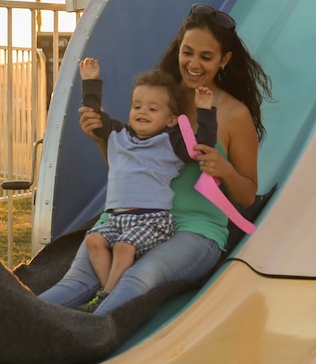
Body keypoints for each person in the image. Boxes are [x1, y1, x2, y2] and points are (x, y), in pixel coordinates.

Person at [38, 2, 272, 315]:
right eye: (187, 52)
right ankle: (12, 324)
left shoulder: (233, 114)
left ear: (224, 60)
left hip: (195, 229)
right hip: (131, 216)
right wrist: (100, 139)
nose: (194, 64)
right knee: (76, 282)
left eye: (206, 56)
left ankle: (90, 331)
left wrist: (225, 170)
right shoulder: (158, 96)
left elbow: (245, 196)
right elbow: (132, 169)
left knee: (136, 278)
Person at [76, 56, 217, 311]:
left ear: (172, 119)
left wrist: (206, 110)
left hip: (152, 220)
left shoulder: (171, 143)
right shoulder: (118, 134)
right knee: (93, 241)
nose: (142, 112)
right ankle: (108, 290)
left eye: (153, 109)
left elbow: (202, 146)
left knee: (123, 247)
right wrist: (90, 83)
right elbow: (94, 119)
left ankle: (107, 295)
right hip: (117, 218)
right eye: (137, 106)